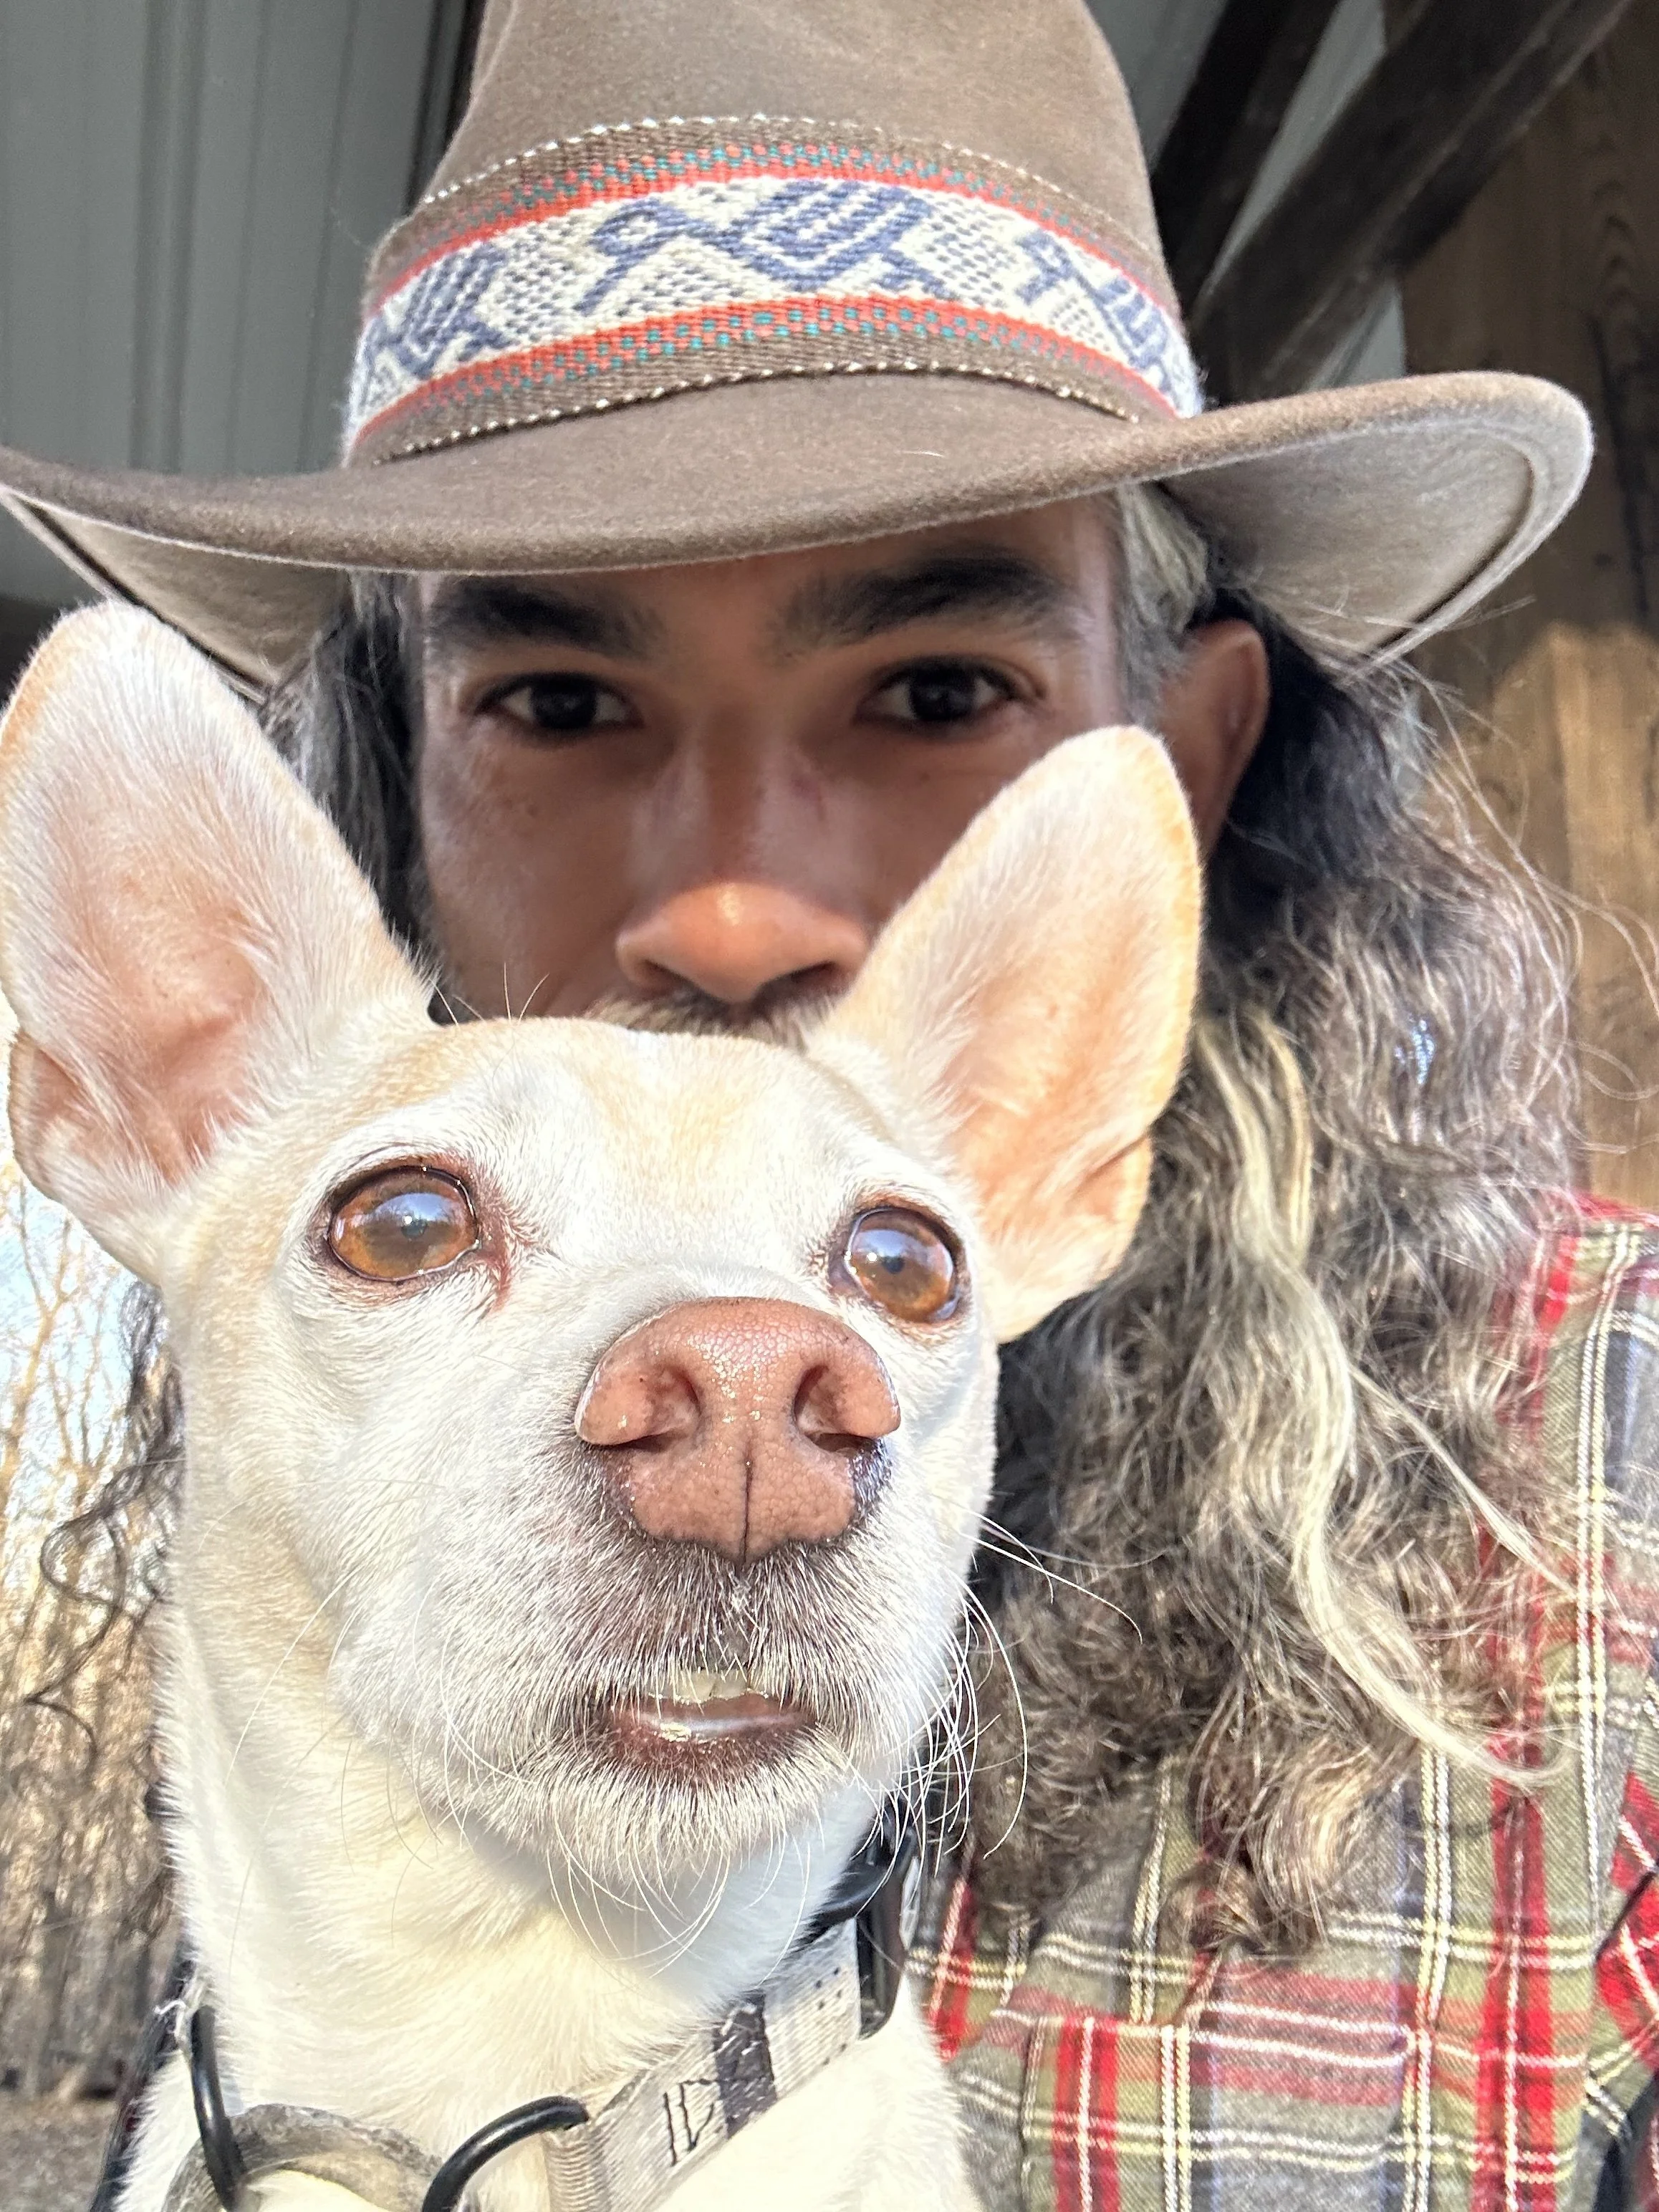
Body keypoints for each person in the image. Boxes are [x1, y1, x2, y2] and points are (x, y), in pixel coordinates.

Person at [5, 1, 1657, 2206]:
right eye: (566, 699)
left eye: (936, 690)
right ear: (397, 783)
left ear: (1162, 787)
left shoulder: (1610, 1488)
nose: (726, 904)